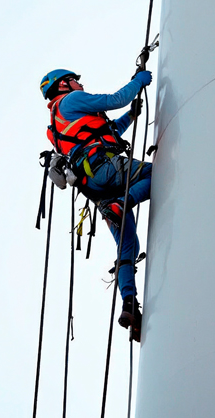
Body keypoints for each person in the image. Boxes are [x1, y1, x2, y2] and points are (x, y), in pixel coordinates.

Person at [40, 68, 152, 341]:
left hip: (95, 188)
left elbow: (104, 131)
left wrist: (132, 116)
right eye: (75, 79)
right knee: (157, 173)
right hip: (106, 168)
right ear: (63, 84)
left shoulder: (56, 125)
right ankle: (123, 202)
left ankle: (129, 305)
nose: (80, 83)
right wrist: (138, 81)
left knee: (128, 247)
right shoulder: (70, 101)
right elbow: (115, 99)